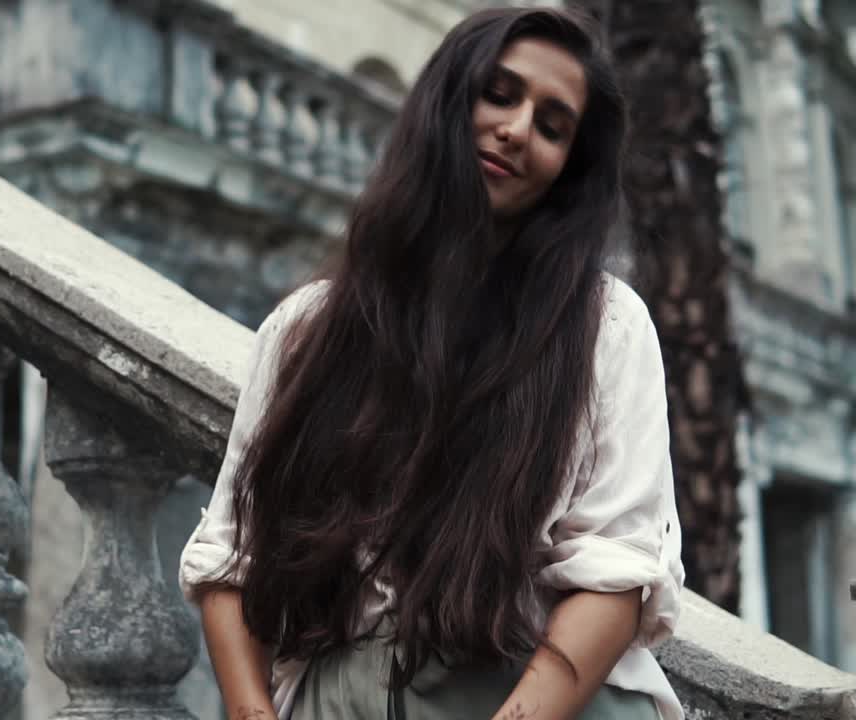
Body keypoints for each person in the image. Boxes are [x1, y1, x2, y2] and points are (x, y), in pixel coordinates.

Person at [179, 6, 685, 720]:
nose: (516, 130)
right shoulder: (305, 330)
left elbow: (618, 569)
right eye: (500, 94)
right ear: (447, 99)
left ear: (568, 167)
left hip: (534, 696)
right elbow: (231, 556)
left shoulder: (605, 326)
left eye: (552, 125)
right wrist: (251, 711)